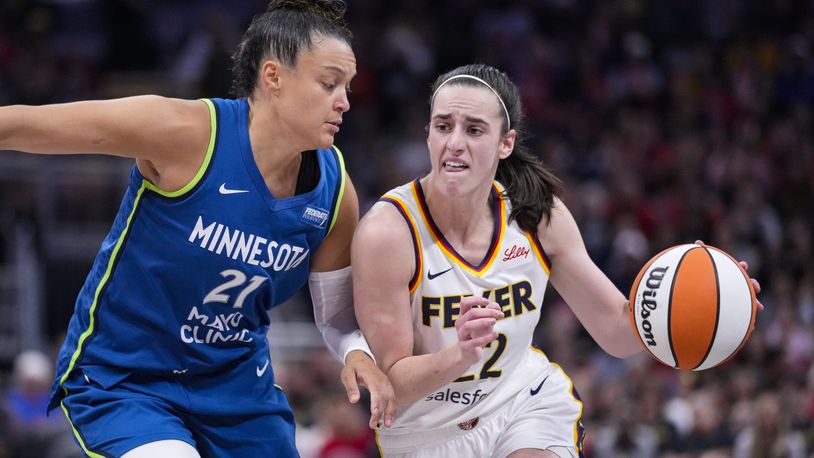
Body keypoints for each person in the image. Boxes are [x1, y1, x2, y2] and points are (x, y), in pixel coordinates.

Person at [0, 1, 395, 456]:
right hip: (128, 377)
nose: (344, 100)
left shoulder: (334, 192)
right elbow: (31, 125)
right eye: (329, 84)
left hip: (237, 392)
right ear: (273, 78)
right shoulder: (186, 134)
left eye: (346, 85)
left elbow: (336, 317)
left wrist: (357, 353)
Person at [352, 64, 763, 457]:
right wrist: (457, 355)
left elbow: (616, 332)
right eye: (443, 126)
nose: (454, 142)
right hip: (424, 432)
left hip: (521, 403)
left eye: (474, 129)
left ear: (505, 143)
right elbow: (390, 384)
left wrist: (699, 301)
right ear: (428, 135)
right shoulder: (387, 232)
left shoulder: (538, 215)